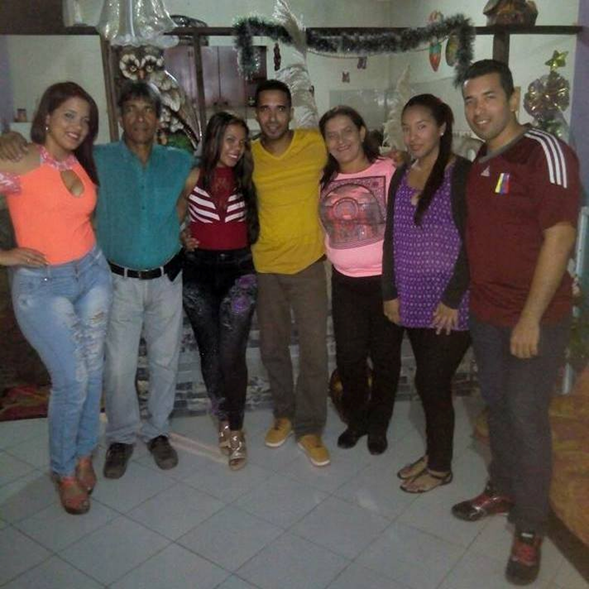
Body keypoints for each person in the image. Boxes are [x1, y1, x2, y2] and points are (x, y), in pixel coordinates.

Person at [451, 60, 579, 585]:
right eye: (471, 100)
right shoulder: (481, 160)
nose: (479, 109)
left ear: (514, 96)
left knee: (526, 418)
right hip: (488, 314)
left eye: (489, 97)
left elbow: (561, 235)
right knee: (499, 409)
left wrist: (530, 318)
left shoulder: (545, 152)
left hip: (534, 318)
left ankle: (530, 529)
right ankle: (503, 489)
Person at [0, 82, 112, 515]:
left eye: (85, 120)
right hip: (43, 286)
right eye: (68, 115)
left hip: (92, 274)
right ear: (47, 116)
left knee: (93, 373)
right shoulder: (17, 160)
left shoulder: (78, 160)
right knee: (72, 380)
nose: (77, 126)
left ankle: (84, 453)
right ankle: (63, 470)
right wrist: (5, 255)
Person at [94, 81, 193, 479]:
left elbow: (207, 181)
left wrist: (183, 223)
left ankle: (158, 432)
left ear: (158, 117)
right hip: (119, 281)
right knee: (119, 367)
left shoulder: (177, 160)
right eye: (131, 109)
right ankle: (120, 437)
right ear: (120, 116)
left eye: (147, 110)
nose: (140, 118)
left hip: (166, 278)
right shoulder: (99, 158)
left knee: (165, 361)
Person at [382, 94, 471, 493]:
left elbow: (474, 242)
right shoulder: (403, 173)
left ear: (442, 127)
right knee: (428, 382)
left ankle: (440, 467)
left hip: (449, 302)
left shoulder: (462, 173)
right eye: (407, 128)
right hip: (412, 298)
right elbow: (392, 237)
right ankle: (434, 453)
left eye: (421, 126)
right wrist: (390, 292)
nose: (413, 135)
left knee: (431, 381)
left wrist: (452, 298)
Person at [252, 80, 330, 467]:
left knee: (315, 351)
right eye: (265, 109)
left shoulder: (314, 145)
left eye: (280, 108)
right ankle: (284, 414)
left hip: (309, 265)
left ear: (290, 112)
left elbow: (355, 157)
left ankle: (310, 426)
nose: (273, 117)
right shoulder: (248, 155)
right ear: (256, 113)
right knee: (272, 348)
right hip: (265, 267)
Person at [178, 112, 259, 470]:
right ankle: (223, 421)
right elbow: (172, 218)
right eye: (230, 140)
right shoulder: (192, 178)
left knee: (231, 355)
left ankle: (237, 428)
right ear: (213, 140)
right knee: (210, 353)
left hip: (239, 274)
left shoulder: (248, 178)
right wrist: (181, 235)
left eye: (242, 142)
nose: (237, 148)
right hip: (198, 274)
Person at [318, 105, 400, 455]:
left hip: (385, 283)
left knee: (385, 359)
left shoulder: (390, 170)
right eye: (332, 135)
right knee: (349, 359)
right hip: (345, 285)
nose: (341, 140)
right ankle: (357, 419)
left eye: (347, 132)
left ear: (362, 132)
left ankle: (379, 424)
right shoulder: (324, 179)